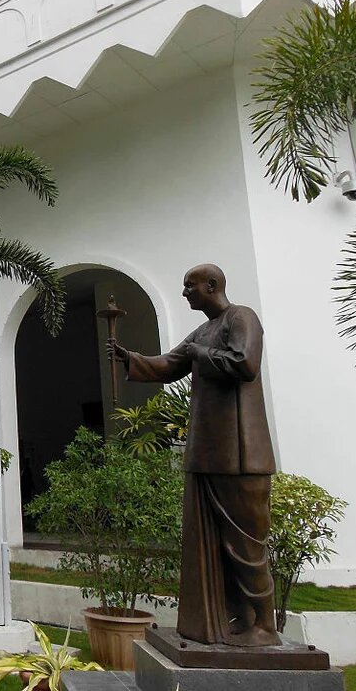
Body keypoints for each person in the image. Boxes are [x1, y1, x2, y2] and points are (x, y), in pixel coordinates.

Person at [108, 264, 280, 647]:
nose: (185, 293)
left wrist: (202, 353)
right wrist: (131, 358)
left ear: (213, 285)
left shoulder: (241, 318)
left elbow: (245, 364)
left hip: (241, 452)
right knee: (216, 544)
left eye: (190, 286)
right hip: (209, 451)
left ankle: (265, 626)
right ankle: (232, 619)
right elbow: (171, 364)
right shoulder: (204, 331)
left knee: (246, 545)